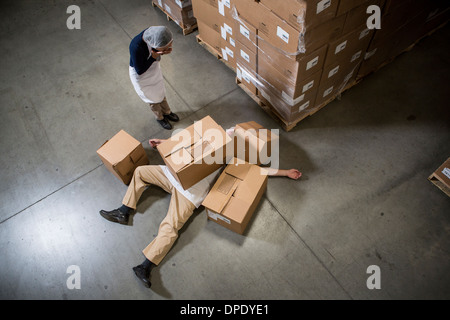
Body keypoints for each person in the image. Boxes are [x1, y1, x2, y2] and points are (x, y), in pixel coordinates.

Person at [99, 136, 302, 289]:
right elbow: (190, 141)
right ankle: (124, 211)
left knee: (170, 226)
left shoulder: (238, 158)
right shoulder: (219, 137)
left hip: (189, 194)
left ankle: (145, 266)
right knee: (141, 172)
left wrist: (285, 172)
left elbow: (257, 172)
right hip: (172, 176)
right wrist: (164, 142)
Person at [129, 26, 179, 130]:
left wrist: (162, 52)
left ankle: (167, 112)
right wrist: (153, 57)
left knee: (160, 93)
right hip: (142, 77)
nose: (166, 49)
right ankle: (160, 118)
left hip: (153, 69)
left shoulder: (153, 34)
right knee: (153, 100)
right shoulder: (136, 47)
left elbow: (156, 50)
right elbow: (140, 70)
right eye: (164, 47)